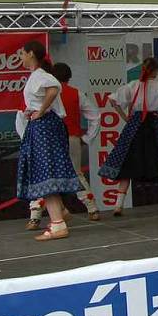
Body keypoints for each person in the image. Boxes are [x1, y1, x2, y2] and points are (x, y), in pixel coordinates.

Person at [98, 57, 158, 215]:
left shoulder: (133, 85)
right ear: (155, 71)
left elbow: (113, 100)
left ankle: (118, 205)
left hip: (135, 125)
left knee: (126, 161)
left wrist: (124, 117)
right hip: (154, 123)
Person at [16, 41, 81, 241]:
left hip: (45, 126)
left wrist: (41, 111)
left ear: (31, 54)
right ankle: (60, 213)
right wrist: (34, 111)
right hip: (44, 126)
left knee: (47, 171)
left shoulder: (42, 76)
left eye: (23, 53)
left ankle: (58, 224)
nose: (21, 56)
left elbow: (53, 89)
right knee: (46, 171)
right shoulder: (37, 76)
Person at [49, 62, 101, 221]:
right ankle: (92, 209)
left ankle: (35, 215)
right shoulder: (76, 93)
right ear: (69, 77)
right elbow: (95, 116)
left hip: (51, 141)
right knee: (77, 174)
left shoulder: (46, 94)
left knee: (46, 177)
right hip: (72, 138)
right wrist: (87, 138)